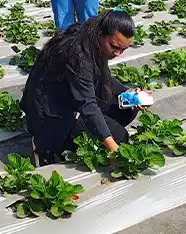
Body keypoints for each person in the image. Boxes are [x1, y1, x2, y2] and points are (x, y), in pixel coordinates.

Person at [21, 9, 144, 165]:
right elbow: (87, 105)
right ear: (101, 33)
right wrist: (112, 146)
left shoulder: (92, 40)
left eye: (123, 49)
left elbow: (103, 78)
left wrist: (128, 93)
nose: (118, 53)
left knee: (127, 107)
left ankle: (92, 136)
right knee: (119, 137)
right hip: (51, 114)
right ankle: (49, 148)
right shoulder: (76, 53)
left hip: (71, 99)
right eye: (114, 46)